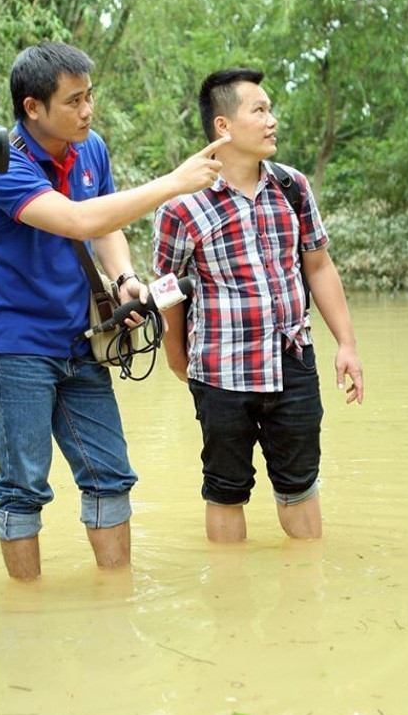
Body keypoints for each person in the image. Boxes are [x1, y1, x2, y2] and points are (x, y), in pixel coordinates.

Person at [0, 41, 229, 581]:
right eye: (74, 101)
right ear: (32, 108)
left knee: (109, 474)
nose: (88, 110)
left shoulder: (91, 148)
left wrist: (126, 279)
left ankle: (116, 601)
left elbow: (107, 227)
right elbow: (76, 221)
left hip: (82, 337)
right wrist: (174, 183)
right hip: (16, 345)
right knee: (23, 486)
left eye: (90, 96)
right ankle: (27, 608)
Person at [153, 68, 363, 543]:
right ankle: (229, 601)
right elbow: (168, 288)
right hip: (221, 370)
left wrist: (346, 343)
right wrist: (176, 356)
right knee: (225, 489)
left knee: (300, 483)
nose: (273, 121)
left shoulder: (293, 187)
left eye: (270, 110)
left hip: (292, 361)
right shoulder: (180, 205)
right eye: (260, 110)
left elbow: (319, 266)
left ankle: (308, 592)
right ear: (224, 126)